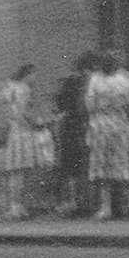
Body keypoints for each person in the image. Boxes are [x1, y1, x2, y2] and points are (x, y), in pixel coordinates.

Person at [85, 50, 129, 220]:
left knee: (103, 166)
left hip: (101, 124)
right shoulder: (126, 78)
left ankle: (106, 208)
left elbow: (89, 104)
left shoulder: (96, 79)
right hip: (120, 123)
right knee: (124, 162)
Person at [0, 64, 43, 220]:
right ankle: (17, 206)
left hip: (10, 131)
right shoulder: (24, 89)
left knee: (14, 172)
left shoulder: (8, 87)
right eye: (33, 75)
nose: (34, 79)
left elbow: (3, 104)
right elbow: (23, 112)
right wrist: (37, 122)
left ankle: (15, 205)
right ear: (27, 74)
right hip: (21, 132)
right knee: (20, 172)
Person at [55, 51, 97, 216]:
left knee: (70, 166)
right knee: (85, 165)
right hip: (87, 124)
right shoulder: (91, 80)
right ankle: (85, 201)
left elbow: (60, 103)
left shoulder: (69, 80)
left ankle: (72, 203)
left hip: (71, 125)